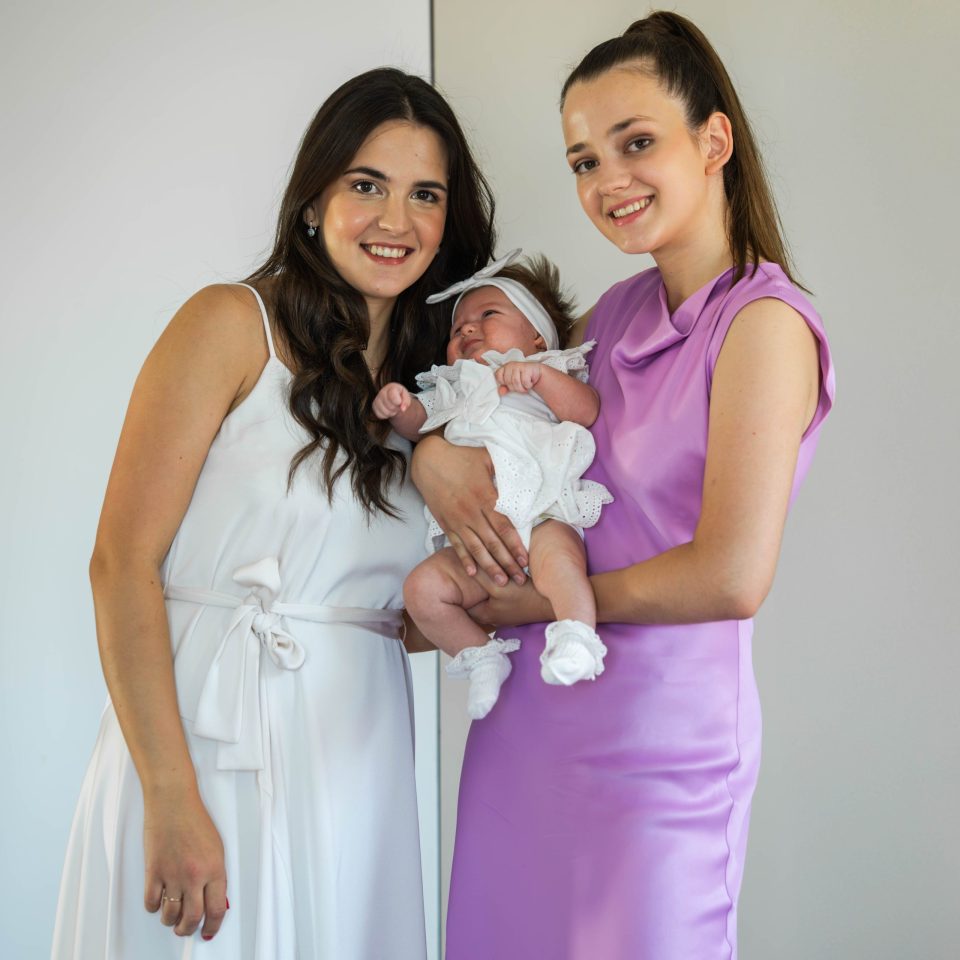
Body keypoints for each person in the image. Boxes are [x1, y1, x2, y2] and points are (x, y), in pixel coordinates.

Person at [414, 12, 835, 959]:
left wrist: (539, 603)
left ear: (713, 141)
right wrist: (427, 458)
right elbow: (506, 434)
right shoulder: (609, 315)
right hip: (529, 726)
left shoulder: (764, 326)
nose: (608, 181)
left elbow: (731, 577)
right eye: (583, 160)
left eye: (635, 142)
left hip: (660, 753)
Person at [51, 67, 495, 959]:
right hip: (208, 745)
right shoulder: (229, 324)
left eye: (425, 194)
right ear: (313, 200)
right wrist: (170, 795)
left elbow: (402, 612)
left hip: (356, 756)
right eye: (366, 184)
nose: (395, 220)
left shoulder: (441, 394)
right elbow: (120, 565)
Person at [373, 250, 612, 719]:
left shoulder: (549, 370)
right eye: (457, 328)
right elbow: (421, 427)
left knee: (562, 566)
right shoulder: (452, 386)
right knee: (422, 589)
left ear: (536, 335)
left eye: (487, 315)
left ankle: (577, 636)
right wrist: (401, 408)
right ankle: (480, 656)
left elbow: (587, 411)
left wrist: (541, 377)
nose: (466, 329)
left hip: (541, 514)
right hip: (476, 540)